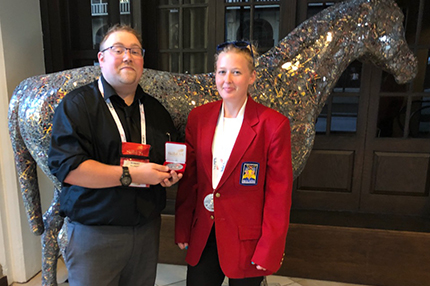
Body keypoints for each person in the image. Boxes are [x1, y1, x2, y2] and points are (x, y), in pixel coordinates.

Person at [48, 24, 182, 286]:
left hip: (146, 232)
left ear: (142, 59)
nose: (127, 56)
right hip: (94, 235)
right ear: (101, 58)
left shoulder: (155, 111)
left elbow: (170, 157)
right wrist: (132, 174)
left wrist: (170, 175)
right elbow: (69, 169)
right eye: (118, 49)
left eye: (135, 51)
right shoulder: (77, 105)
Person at [175, 40, 293, 286]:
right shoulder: (199, 118)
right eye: (221, 71)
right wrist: (183, 226)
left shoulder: (273, 125)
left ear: (252, 77)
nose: (227, 79)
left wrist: (269, 247)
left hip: (247, 242)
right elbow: (191, 181)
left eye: (236, 72)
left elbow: (278, 194)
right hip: (204, 235)